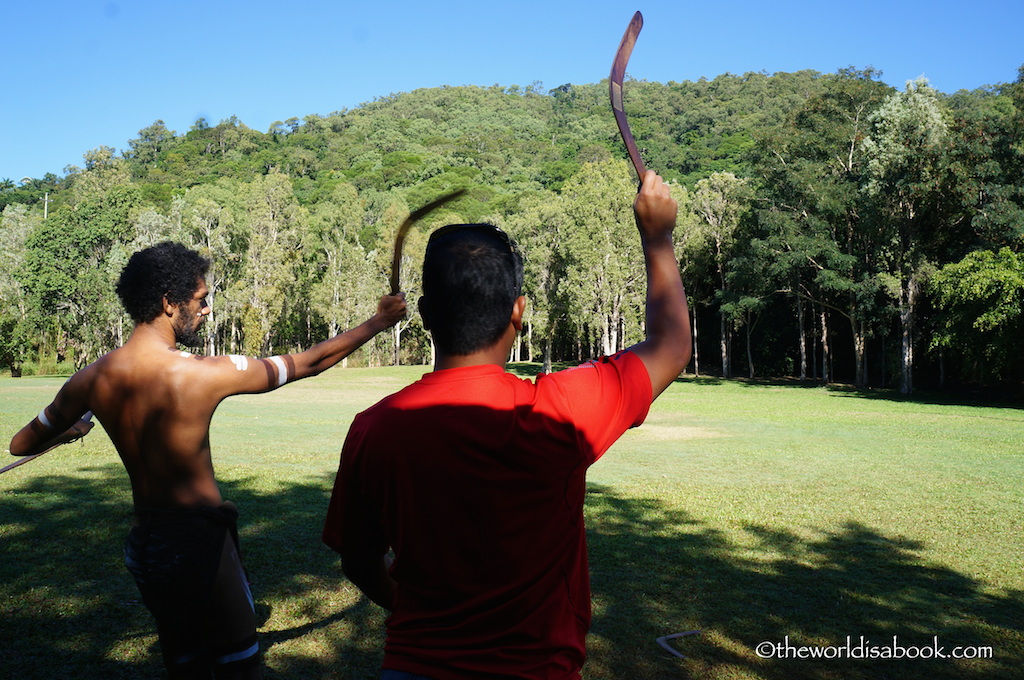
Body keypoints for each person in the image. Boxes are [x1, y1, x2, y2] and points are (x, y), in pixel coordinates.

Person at [322, 170, 691, 680]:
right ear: (518, 311)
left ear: (426, 315)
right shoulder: (561, 411)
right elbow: (671, 346)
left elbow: (359, 561)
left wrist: (413, 608)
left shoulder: (374, 429)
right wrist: (657, 238)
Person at [8, 241, 406, 679]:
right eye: (200, 300)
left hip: (147, 546)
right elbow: (309, 363)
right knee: (240, 668)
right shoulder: (199, 374)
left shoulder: (90, 378)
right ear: (167, 303)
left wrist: (70, 429)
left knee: (186, 664)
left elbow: (21, 444)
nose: (207, 310)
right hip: (198, 544)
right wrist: (380, 321)